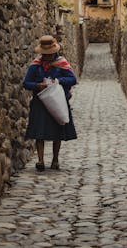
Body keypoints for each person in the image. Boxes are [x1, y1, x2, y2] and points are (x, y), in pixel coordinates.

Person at [23, 34, 77, 171]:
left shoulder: (62, 64)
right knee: (39, 132)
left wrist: (58, 82)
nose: (47, 57)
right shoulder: (35, 66)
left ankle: (55, 159)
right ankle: (40, 161)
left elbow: (72, 79)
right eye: (45, 54)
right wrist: (37, 85)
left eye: (50, 54)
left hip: (57, 102)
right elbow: (26, 83)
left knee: (57, 131)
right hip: (40, 102)